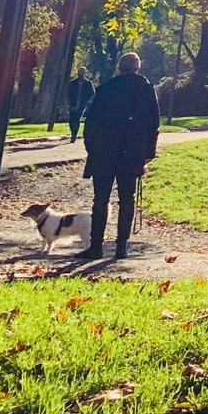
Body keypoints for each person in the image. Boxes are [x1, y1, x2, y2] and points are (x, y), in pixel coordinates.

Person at [76, 53, 159, 260]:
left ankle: (96, 246)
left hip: (104, 151)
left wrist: (91, 147)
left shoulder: (105, 89)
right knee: (127, 199)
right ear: (138, 68)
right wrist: (148, 153)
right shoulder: (146, 90)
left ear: (118, 69)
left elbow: (91, 121)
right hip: (131, 153)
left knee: (100, 200)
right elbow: (153, 124)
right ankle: (121, 247)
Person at [65, 68, 94, 142]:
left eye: (82, 72)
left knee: (77, 119)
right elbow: (68, 93)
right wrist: (69, 101)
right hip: (73, 103)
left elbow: (92, 93)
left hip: (81, 104)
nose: (80, 74)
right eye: (79, 72)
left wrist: (86, 100)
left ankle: (74, 135)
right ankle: (72, 132)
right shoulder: (72, 83)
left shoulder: (88, 83)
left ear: (84, 73)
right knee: (71, 120)